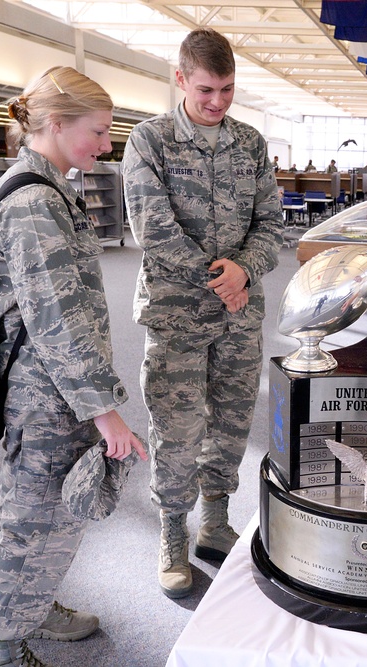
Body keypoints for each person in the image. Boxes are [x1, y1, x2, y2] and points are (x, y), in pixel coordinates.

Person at [0, 66, 147, 667]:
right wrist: (108, 419)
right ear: (54, 124)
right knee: (33, 517)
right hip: (45, 391)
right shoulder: (32, 205)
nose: (106, 145)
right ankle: (3, 644)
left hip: (54, 389)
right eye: (98, 132)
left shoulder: (48, 187)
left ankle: (35, 603)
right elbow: (57, 323)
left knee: (50, 513)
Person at [122, 28, 283, 600]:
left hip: (240, 319)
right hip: (177, 318)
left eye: (229, 90)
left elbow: (272, 224)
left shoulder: (251, 144)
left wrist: (245, 270)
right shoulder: (149, 141)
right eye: (208, 89)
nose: (218, 102)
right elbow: (153, 230)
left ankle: (215, 522)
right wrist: (224, 282)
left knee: (231, 423)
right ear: (181, 78)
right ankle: (172, 533)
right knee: (177, 428)